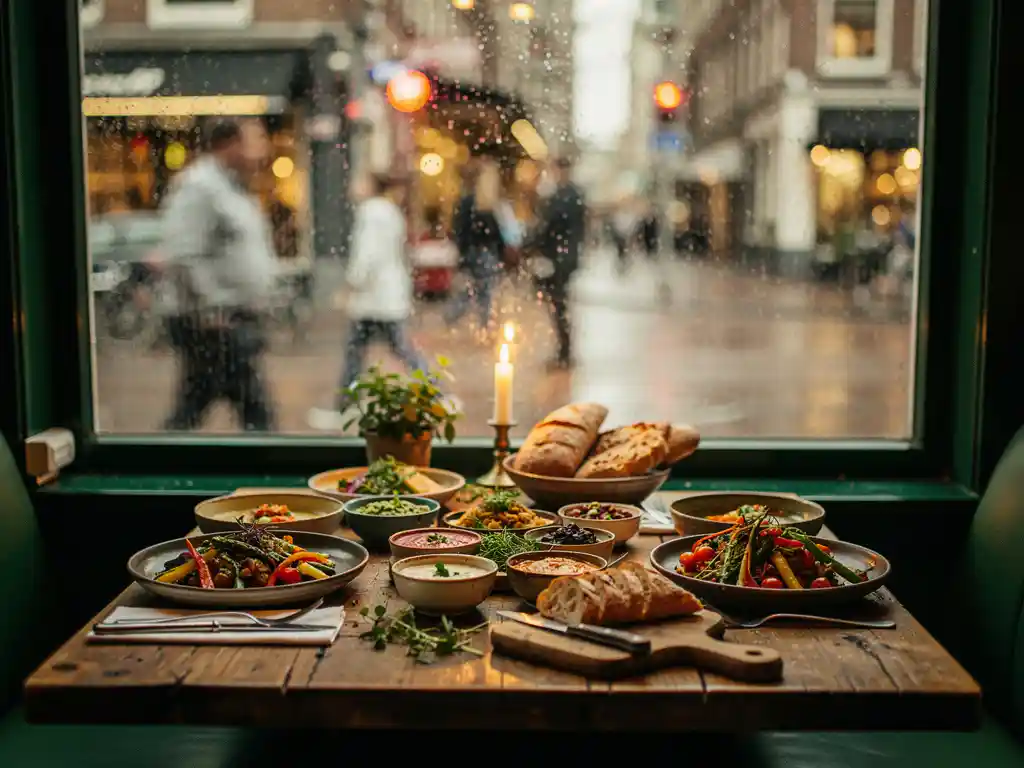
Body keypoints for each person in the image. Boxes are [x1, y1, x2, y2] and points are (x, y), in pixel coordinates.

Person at [159, 118, 278, 431]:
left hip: (228, 318)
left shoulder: (233, 186)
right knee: (254, 409)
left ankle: (164, 451)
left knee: (199, 402)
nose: (263, 150)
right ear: (230, 145)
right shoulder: (200, 186)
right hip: (213, 323)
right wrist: (211, 310)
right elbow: (185, 252)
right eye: (255, 141)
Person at [337, 174, 425, 404]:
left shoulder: (371, 212)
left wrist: (351, 284)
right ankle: (345, 402)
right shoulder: (388, 210)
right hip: (384, 295)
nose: (352, 186)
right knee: (382, 349)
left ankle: (346, 403)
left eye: (359, 181)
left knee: (361, 351)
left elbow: (366, 254)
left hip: (375, 297)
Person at [530, 156, 586, 370]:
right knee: (558, 304)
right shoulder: (573, 194)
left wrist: (534, 243)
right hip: (564, 257)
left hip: (559, 258)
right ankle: (564, 350)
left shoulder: (563, 196)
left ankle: (564, 351)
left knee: (558, 304)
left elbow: (549, 225)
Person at [446, 160, 506, 330]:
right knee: (484, 291)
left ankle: (454, 315)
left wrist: (462, 253)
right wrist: (500, 251)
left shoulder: (464, 202)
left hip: (473, 252)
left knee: (472, 289)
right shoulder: (482, 201)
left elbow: (458, 230)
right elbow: (494, 231)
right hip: (484, 252)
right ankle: (484, 324)